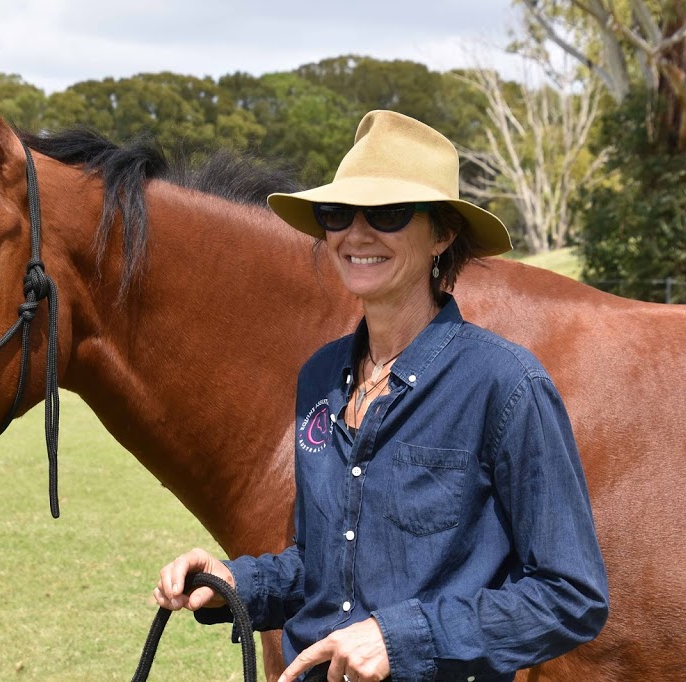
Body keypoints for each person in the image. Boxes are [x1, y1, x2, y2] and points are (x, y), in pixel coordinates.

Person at [153, 110, 609, 682]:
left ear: (442, 234)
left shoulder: (507, 385)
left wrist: (401, 639)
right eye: (338, 214)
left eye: (388, 214)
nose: (357, 234)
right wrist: (237, 581)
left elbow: (571, 597)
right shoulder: (318, 377)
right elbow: (323, 565)